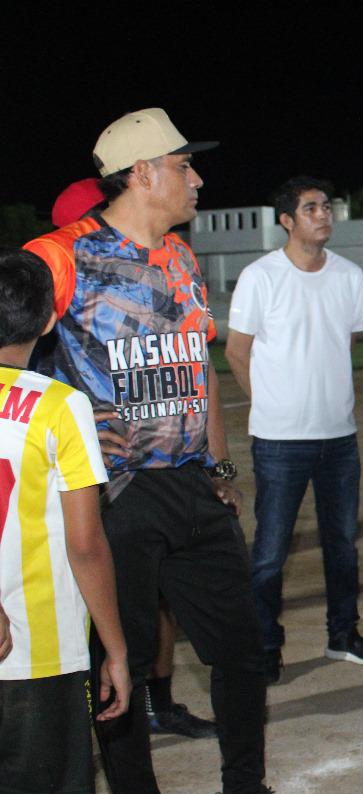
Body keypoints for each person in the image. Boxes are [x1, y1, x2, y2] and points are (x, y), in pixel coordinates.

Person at [25, 108, 327, 794]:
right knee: (118, 662)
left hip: (194, 485)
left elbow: (200, 379)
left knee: (242, 647)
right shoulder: (59, 258)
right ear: (143, 172)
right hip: (112, 497)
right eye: (185, 165)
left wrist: (222, 467)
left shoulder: (182, 260)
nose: (198, 177)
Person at [50, 178, 215, 739]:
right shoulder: (68, 265)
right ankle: (110, 711)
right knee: (108, 611)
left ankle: (157, 701)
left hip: (166, 474)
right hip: (95, 482)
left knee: (157, 601)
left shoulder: (170, 258)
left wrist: (217, 463)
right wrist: (77, 428)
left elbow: (197, 362)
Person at [225, 176, 363, 684]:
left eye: (327, 206)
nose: (324, 214)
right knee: (271, 550)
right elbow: (236, 351)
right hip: (279, 440)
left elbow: (345, 344)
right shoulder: (260, 276)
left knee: (342, 543)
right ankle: (266, 645)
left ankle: (344, 635)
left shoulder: (348, 275)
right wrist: (271, 404)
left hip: (339, 436)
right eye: (311, 207)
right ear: (287, 221)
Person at [0, 249, 130, 794]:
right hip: (35, 649)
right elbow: (86, 544)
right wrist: (116, 647)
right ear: (50, 320)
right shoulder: (58, 406)